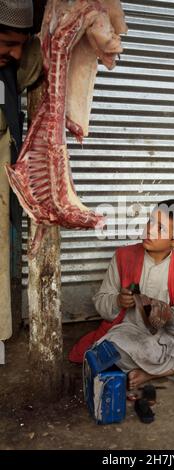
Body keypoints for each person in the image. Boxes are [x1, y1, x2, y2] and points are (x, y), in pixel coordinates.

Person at [70, 199, 174, 389]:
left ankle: (150, 373)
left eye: (160, 228)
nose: (149, 230)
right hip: (131, 334)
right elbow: (101, 303)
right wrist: (117, 301)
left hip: (170, 336)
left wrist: (170, 316)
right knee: (112, 347)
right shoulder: (123, 257)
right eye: (150, 221)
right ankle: (166, 365)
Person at [0, 0, 43, 347]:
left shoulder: (8, 74)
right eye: (7, 44)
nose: (15, 54)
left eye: (20, 45)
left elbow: (33, 65)